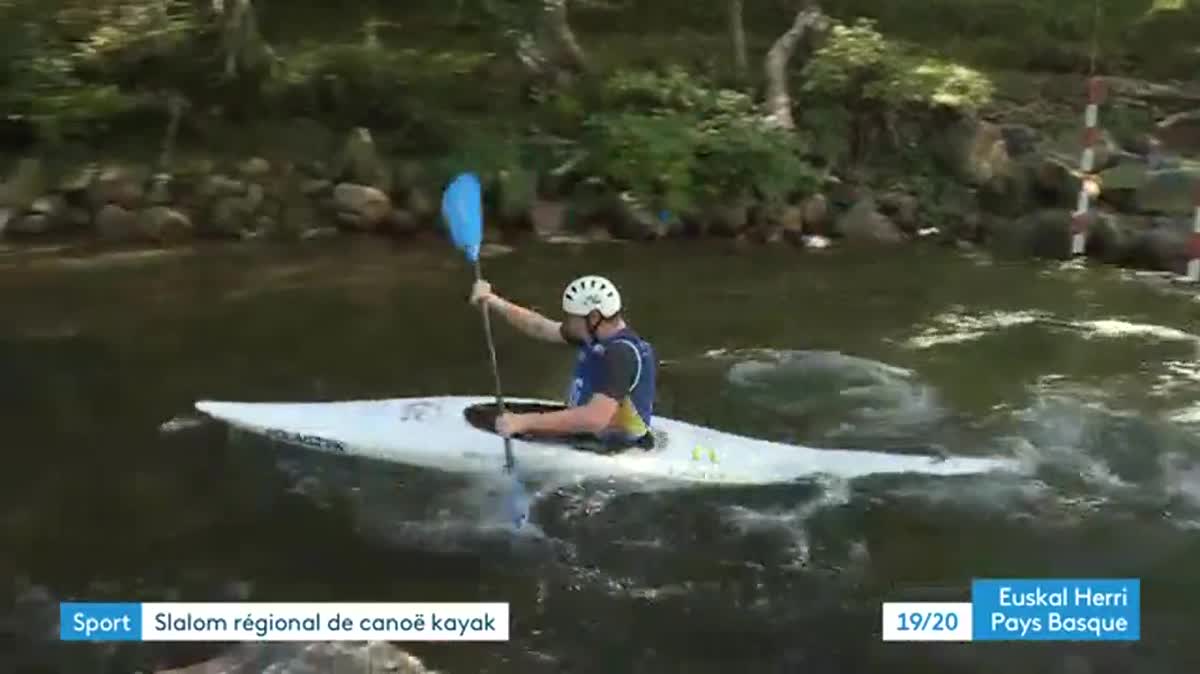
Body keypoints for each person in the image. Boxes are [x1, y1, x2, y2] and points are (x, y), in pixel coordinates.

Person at [468, 274, 657, 452]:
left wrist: (522, 423)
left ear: (594, 317)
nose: (568, 323)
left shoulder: (620, 355)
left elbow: (595, 418)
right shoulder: (595, 336)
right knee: (489, 415)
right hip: (588, 431)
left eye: (572, 317)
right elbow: (539, 327)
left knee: (506, 421)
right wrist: (493, 301)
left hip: (610, 445)